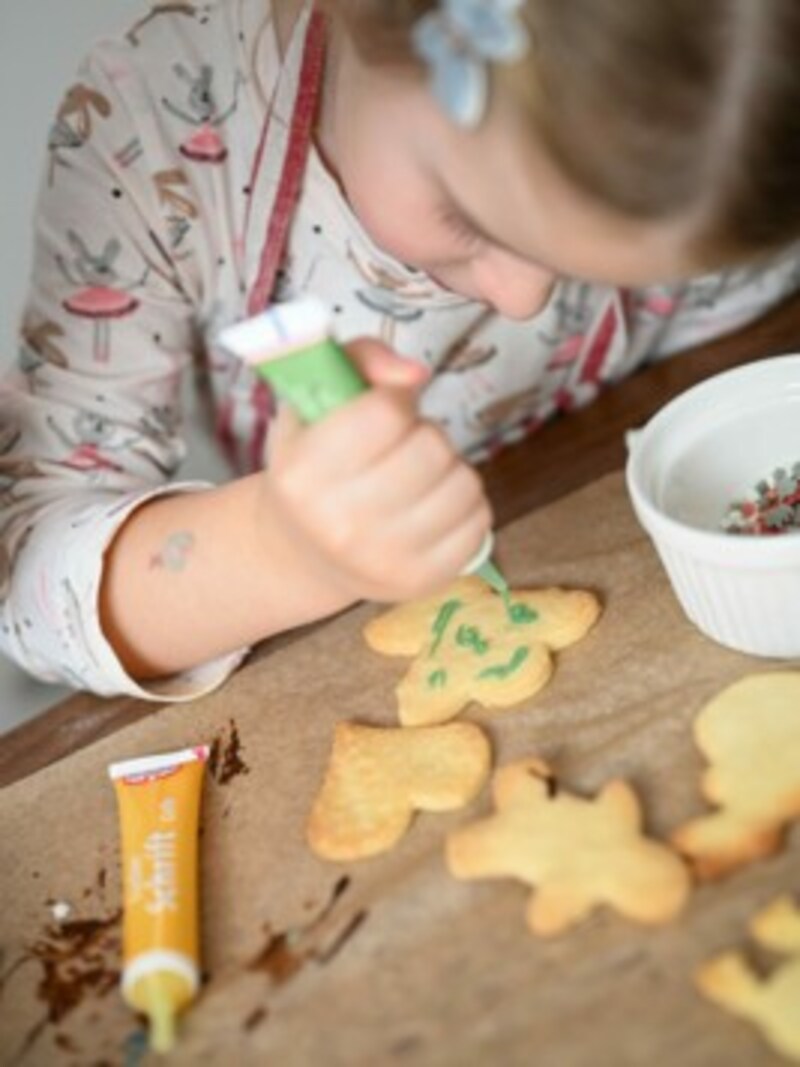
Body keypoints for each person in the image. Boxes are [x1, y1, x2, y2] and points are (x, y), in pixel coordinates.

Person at [1, 0, 799, 701]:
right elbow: (31, 581)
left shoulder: (739, 90)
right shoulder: (150, 137)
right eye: (466, 216)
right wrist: (286, 547)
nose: (525, 298)